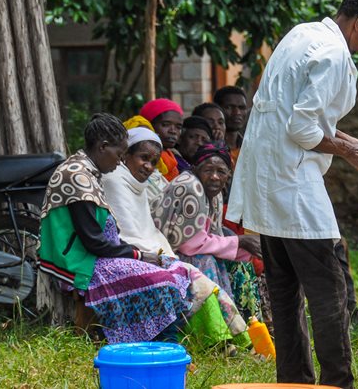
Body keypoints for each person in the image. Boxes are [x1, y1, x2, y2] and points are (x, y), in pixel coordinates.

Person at [226, 0, 358, 388]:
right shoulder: (334, 54)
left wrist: (347, 139)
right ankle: (338, 382)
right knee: (329, 291)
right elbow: (302, 128)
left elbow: (294, 114)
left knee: (284, 293)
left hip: (267, 180)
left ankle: (294, 381)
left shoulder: (301, 34)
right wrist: (348, 147)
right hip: (291, 183)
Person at [37, 113, 191, 343]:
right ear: (103, 147)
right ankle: (161, 346)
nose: (120, 161)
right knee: (162, 281)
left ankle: (157, 343)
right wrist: (137, 254)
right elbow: (94, 242)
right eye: (119, 155)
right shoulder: (77, 176)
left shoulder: (87, 170)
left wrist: (136, 254)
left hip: (95, 255)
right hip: (81, 263)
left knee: (175, 268)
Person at [102, 127, 250, 344]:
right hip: (128, 255)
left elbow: (148, 230)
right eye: (143, 158)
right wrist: (158, 256)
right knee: (195, 270)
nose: (148, 166)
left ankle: (232, 335)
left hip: (151, 251)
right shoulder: (116, 181)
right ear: (126, 155)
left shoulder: (137, 185)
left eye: (153, 162)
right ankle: (214, 339)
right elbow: (128, 233)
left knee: (202, 270)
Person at [152, 143, 264, 321]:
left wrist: (241, 246)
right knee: (206, 261)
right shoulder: (191, 187)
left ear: (228, 175)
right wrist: (240, 242)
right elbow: (188, 245)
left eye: (221, 172)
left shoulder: (215, 194)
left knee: (241, 265)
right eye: (208, 170)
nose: (214, 177)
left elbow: (214, 235)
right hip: (165, 254)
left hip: (188, 250)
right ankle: (216, 326)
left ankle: (250, 324)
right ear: (195, 169)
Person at [140, 98, 184, 182]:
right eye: (165, 125)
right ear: (149, 125)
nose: (173, 131)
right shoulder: (142, 160)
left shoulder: (174, 157)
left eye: (178, 127)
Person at [213, 86, 248, 165]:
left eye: (242, 108)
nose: (237, 112)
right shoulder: (208, 146)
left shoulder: (250, 147)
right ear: (217, 109)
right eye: (229, 107)